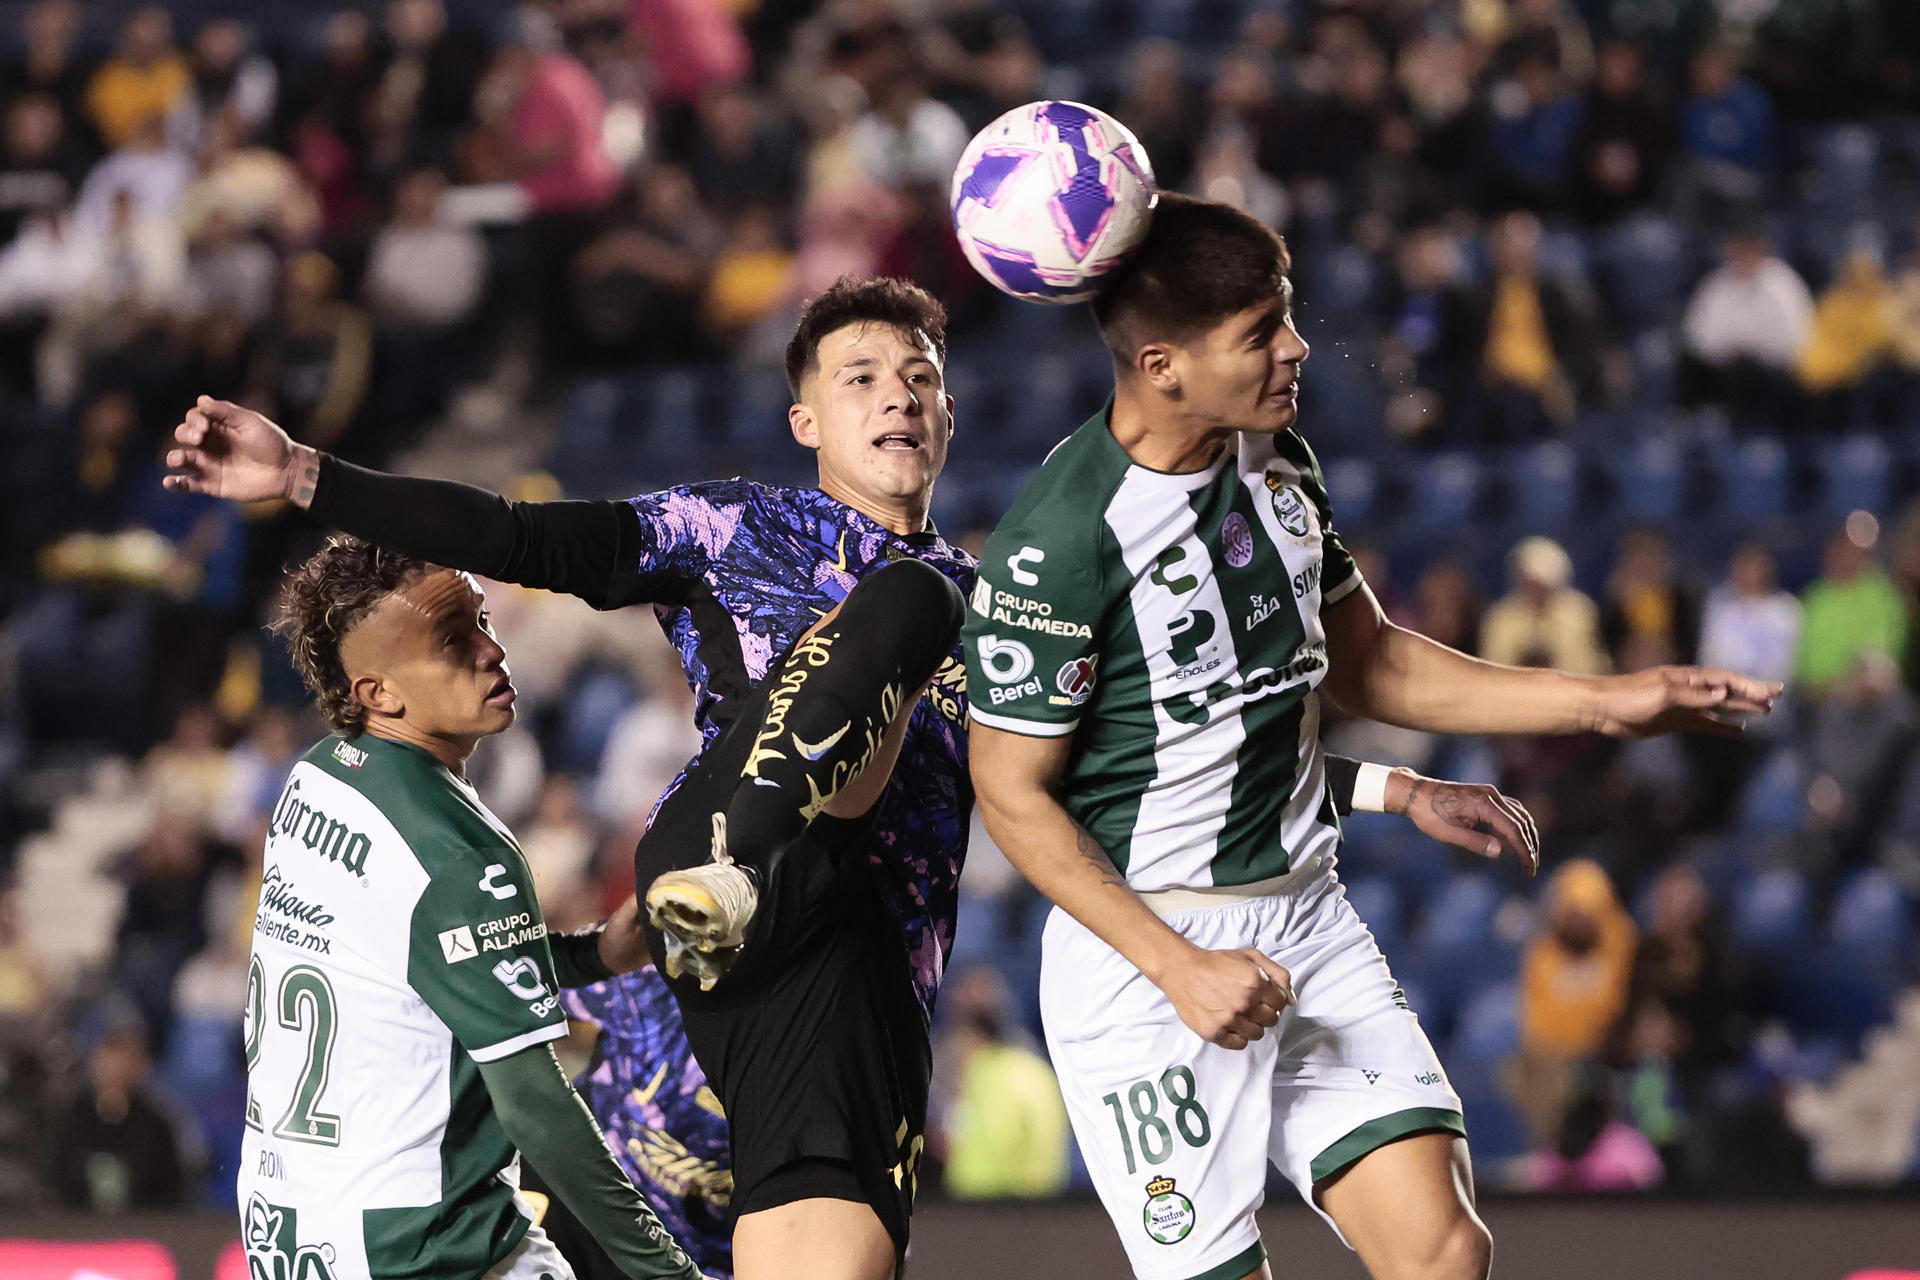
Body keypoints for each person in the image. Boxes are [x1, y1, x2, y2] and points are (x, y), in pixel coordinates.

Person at [163, 276, 1536, 1280]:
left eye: (924, 378)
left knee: (939, 598)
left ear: (947, 423)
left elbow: (1172, 756)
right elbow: (524, 535)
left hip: (851, 1003)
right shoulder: (728, 527)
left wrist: (1395, 794)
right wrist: (309, 478)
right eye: (867, 376)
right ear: (806, 418)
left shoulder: (1007, 612)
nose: (901, 393)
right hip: (705, 985)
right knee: (916, 602)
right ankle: (739, 852)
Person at [963, 194, 1779, 1280]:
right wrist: (1181, 968)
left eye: (1287, 315)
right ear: (1162, 364)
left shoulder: (1278, 459)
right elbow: (1012, 793)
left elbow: (1371, 663)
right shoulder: (1058, 542)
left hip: (1306, 916)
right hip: (1145, 960)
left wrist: (1604, 701)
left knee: (1443, 1248)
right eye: (1261, 330)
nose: (1297, 346)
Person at [235, 534, 699, 1280]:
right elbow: (535, 1106)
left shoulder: (317, 779)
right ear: (378, 692)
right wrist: (665, 1271)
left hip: (292, 1234)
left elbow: (416, 964)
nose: (492, 650)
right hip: (428, 1248)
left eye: (482, 619)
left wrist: (594, 954)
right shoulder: (460, 853)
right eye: (453, 641)